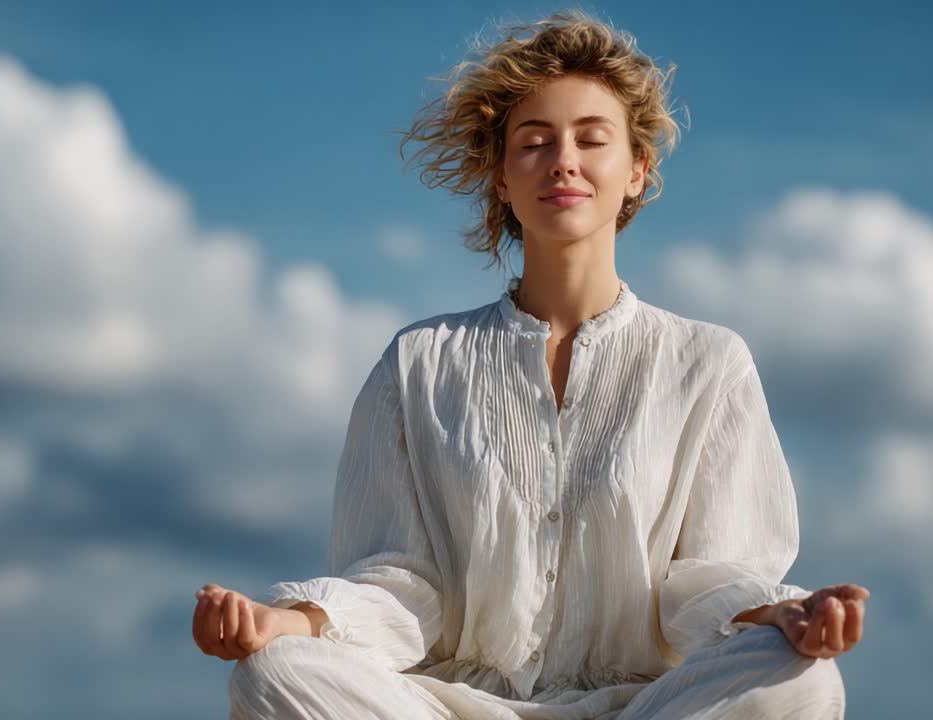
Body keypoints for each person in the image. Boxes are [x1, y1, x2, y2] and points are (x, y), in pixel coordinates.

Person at [193, 9, 870, 718]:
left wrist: (780, 616)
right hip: (449, 708)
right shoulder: (417, 364)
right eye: (535, 142)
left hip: (643, 707)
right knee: (275, 675)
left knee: (800, 678)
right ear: (500, 180)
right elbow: (399, 585)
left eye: (592, 139)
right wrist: (284, 624)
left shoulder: (709, 362)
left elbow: (705, 581)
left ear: (637, 170)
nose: (563, 161)